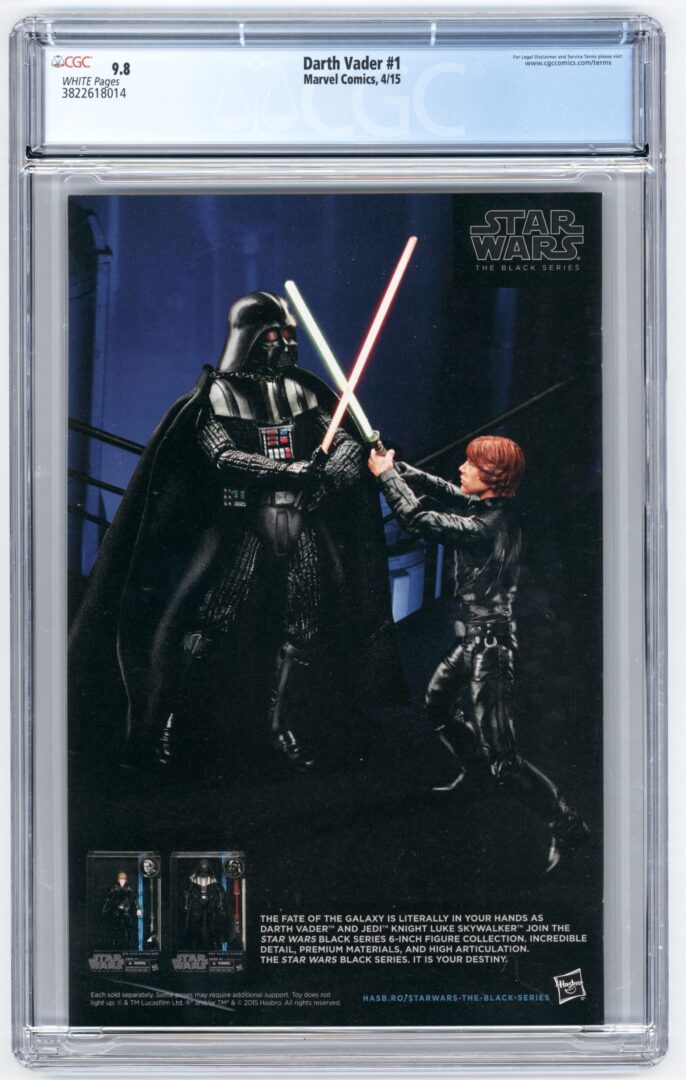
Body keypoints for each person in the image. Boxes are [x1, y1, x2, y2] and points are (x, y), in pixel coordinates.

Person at [69, 292, 404, 774]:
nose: (285, 345)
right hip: (240, 527)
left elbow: (349, 446)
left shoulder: (304, 391)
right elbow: (222, 455)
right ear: (249, 339)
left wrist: (326, 476)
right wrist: (289, 471)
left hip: (301, 526)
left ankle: (282, 724)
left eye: (289, 335)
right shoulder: (216, 396)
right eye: (274, 336)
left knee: (305, 627)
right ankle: (163, 722)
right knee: (206, 622)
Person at [368, 435, 589, 874]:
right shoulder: (493, 510)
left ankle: (568, 826)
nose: (461, 469)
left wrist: (388, 477)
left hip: (489, 647)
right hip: (474, 640)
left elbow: (418, 519)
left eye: (470, 465)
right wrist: (403, 471)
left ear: (490, 477)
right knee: (438, 706)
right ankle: (475, 775)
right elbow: (452, 493)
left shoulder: (485, 528)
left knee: (503, 759)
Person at [101, 871, 142, 950]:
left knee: (128, 927)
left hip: (126, 910)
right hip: (117, 910)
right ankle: (114, 942)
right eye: (120, 878)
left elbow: (134, 899)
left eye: (123, 878)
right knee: (115, 927)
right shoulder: (114, 888)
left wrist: (138, 909)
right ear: (118, 879)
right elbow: (109, 899)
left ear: (126, 880)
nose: (122, 880)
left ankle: (129, 942)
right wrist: (105, 908)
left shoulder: (128, 888)